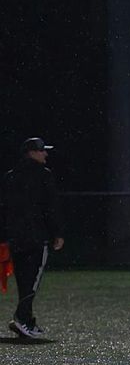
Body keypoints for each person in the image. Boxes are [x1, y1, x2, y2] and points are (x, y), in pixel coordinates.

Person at [1, 138, 65, 339]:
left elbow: (5, 209)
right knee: (33, 279)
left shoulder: (10, 176)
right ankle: (21, 318)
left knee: (23, 279)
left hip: (16, 237)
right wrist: (57, 233)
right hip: (36, 236)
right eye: (41, 151)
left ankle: (27, 321)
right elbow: (50, 207)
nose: (45, 154)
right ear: (31, 152)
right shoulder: (43, 175)